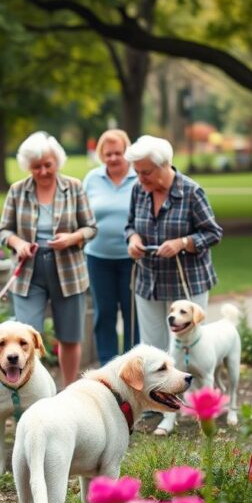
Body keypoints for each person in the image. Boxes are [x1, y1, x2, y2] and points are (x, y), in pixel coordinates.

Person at [0, 132, 96, 386]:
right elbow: (3, 231)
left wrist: (72, 238)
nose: (43, 171)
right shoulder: (18, 191)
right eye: (36, 167)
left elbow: (90, 227)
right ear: (28, 167)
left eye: (47, 165)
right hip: (29, 272)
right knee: (26, 336)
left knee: (70, 336)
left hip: (68, 269)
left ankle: (69, 388)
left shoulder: (73, 187)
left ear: (57, 162)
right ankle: (30, 388)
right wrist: (18, 243)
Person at [124, 135, 223, 355]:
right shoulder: (137, 190)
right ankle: (157, 390)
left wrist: (183, 242)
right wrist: (133, 239)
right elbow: (130, 225)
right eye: (137, 172)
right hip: (148, 281)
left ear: (164, 165)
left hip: (186, 281)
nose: (140, 178)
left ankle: (193, 391)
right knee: (151, 350)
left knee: (188, 350)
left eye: (146, 172)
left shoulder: (191, 192)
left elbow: (213, 233)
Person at [82, 129, 139, 364]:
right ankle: (108, 364)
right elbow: (81, 213)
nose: (113, 158)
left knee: (131, 312)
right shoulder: (92, 179)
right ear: (101, 155)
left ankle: (132, 363)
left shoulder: (139, 177)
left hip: (131, 259)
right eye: (108, 154)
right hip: (98, 257)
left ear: (127, 153)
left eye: (118, 153)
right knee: (104, 312)